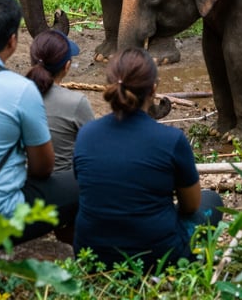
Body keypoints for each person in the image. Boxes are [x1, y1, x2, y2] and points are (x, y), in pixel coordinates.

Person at [73, 47, 224, 269]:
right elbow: (191, 206)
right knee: (212, 201)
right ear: (153, 89)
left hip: (91, 257)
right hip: (159, 258)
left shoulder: (85, 135)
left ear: (110, 86)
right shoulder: (172, 140)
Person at [0, 0, 79, 242]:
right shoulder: (21, 90)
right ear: (13, 42)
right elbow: (43, 168)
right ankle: (77, 251)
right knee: (86, 182)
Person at [26, 29, 94, 171]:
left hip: (23, 182)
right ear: (67, 66)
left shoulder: (16, 95)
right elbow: (95, 147)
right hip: (62, 184)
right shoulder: (76, 102)